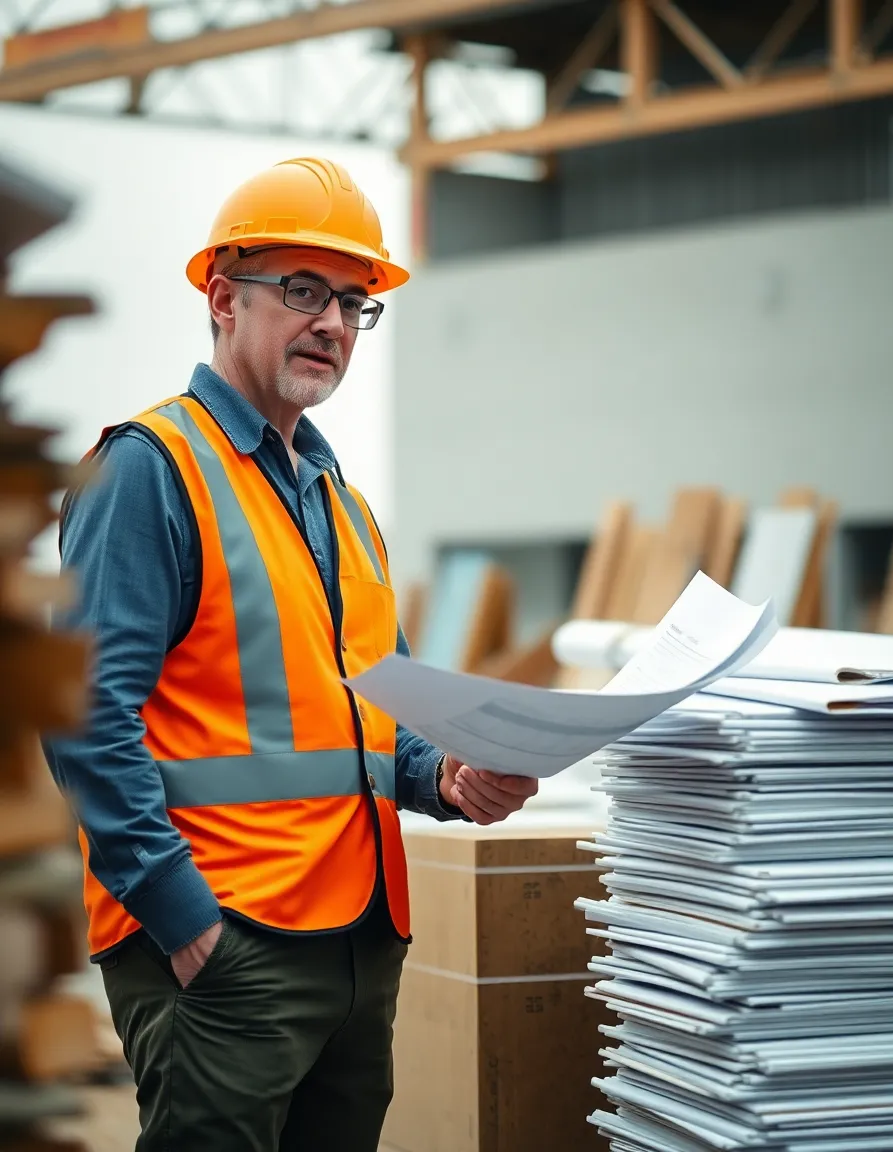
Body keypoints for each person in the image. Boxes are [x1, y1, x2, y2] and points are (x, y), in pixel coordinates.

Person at [43, 157, 538, 1152]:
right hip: (225, 940)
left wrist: (446, 776)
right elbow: (84, 720)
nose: (331, 323)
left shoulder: (340, 505)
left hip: (359, 942)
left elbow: (365, 721)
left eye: (352, 303)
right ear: (224, 300)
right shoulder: (149, 471)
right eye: (302, 291)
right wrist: (186, 924)